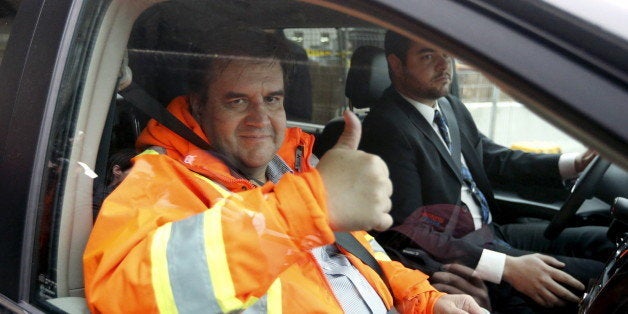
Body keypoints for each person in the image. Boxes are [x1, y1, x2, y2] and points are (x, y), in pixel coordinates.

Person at [83, 28, 484, 313]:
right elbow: (123, 293)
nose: (260, 119)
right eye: (237, 101)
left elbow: (367, 258)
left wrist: (428, 302)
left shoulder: (293, 168)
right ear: (199, 108)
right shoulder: (158, 181)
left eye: (272, 99)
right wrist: (304, 208)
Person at [359, 31, 613, 312]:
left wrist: (571, 164)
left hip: (492, 232)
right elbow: (409, 231)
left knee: (609, 242)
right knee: (605, 278)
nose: (444, 65)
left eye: (446, 54)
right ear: (395, 64)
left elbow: (492, 159)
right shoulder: (386, 129)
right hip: (457, 253)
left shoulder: (448, 106)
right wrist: (506, 266)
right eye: (428, 55)